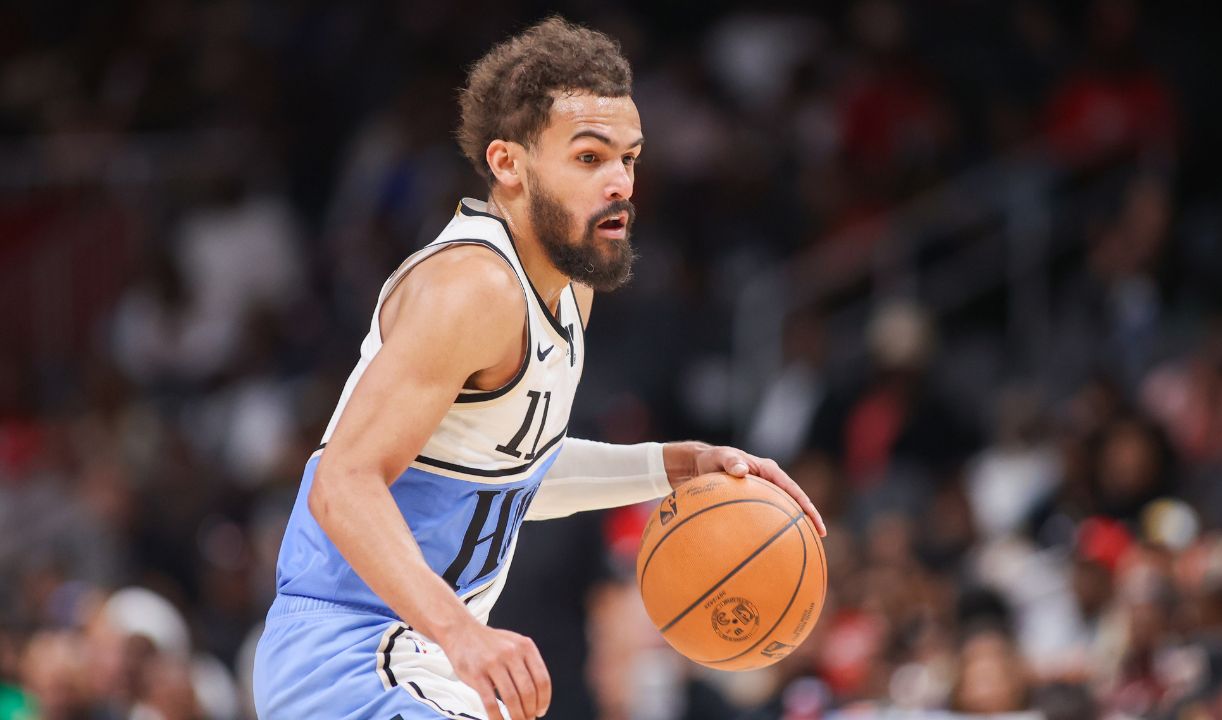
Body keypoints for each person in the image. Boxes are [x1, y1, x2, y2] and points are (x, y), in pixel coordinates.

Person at [253, 17, 826, 720]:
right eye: (590, 159)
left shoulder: (565, 286)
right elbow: (341, 484)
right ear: (509, 165)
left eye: (630, 158)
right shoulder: (472, 287)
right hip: (354, 653)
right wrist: (463, 634)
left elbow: (509, 476)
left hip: (423, 658)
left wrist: (672, 465)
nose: (620, 183)